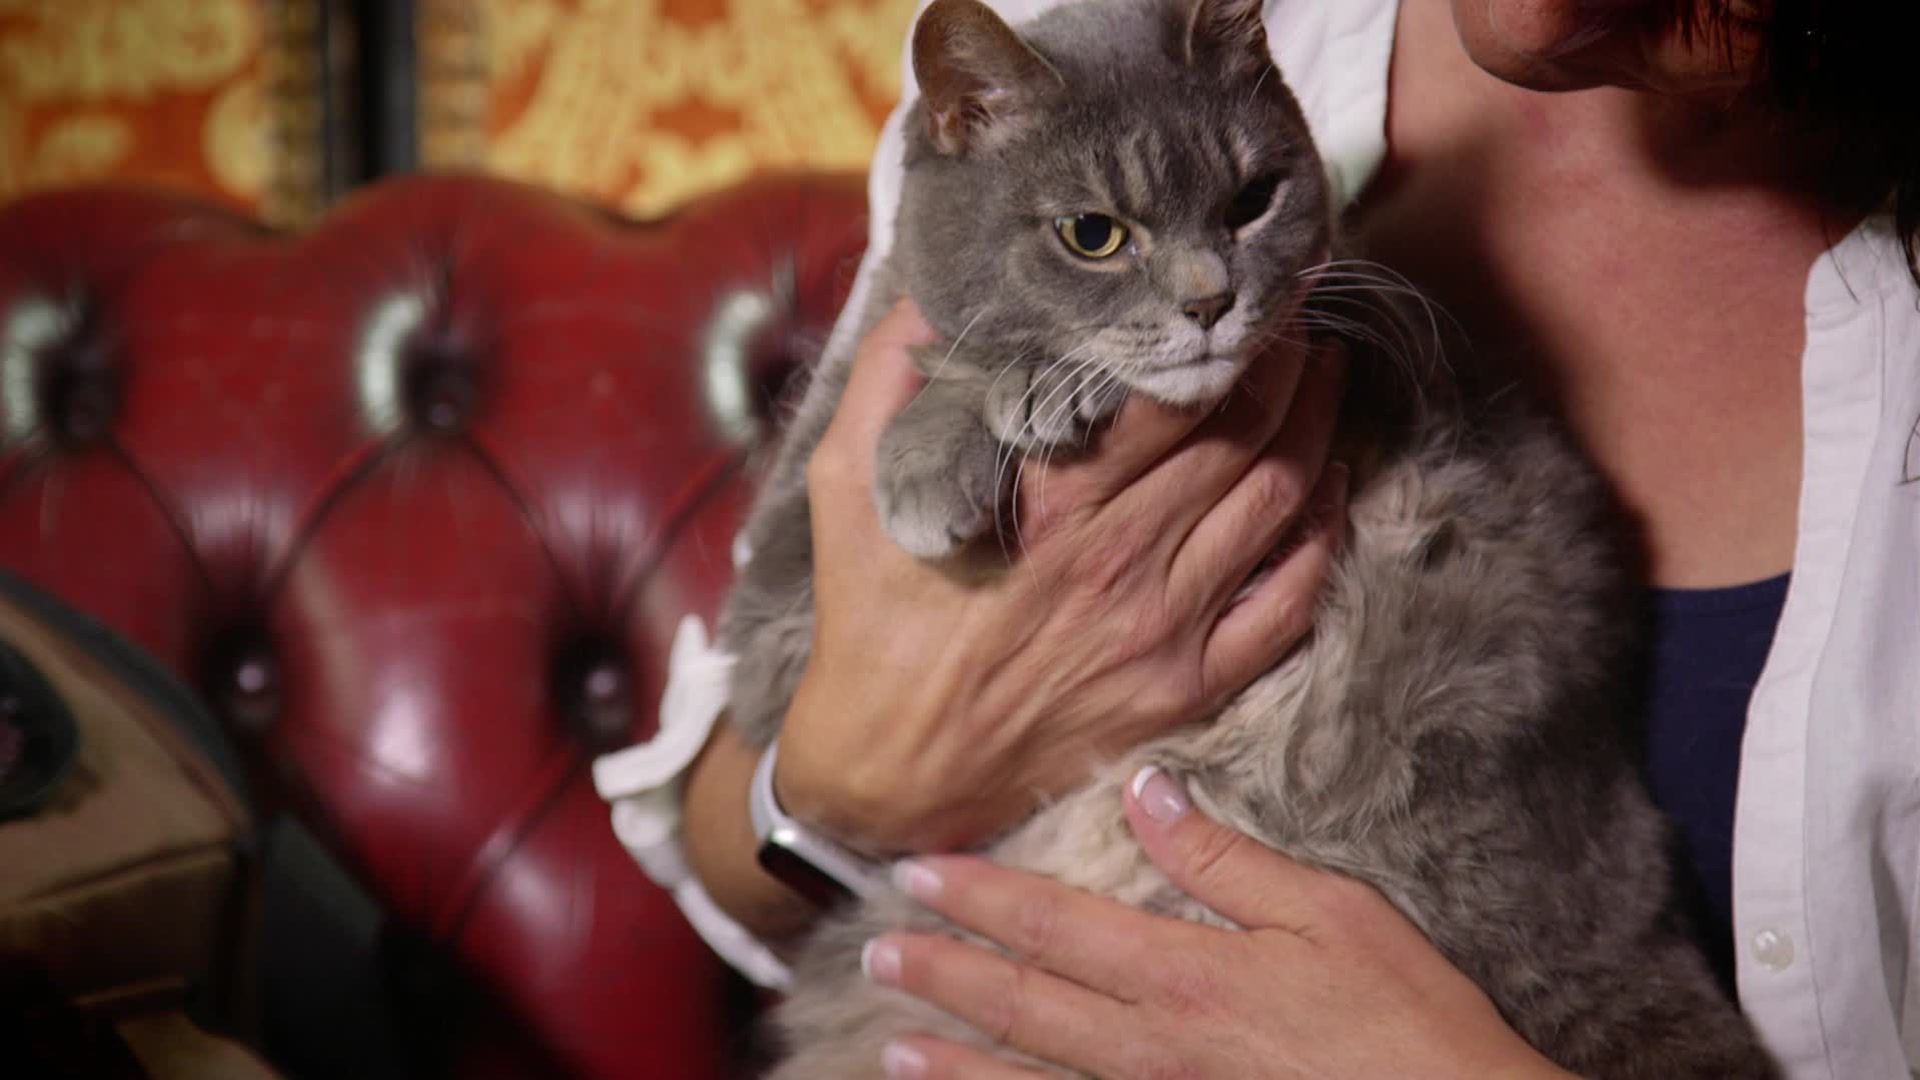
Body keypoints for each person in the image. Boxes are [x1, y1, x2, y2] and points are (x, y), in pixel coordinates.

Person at [601, 0, 1920, 1076]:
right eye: (1098, 235)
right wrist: (847, 784)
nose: (1204, 294)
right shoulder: (1092, 48)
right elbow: (724, 817)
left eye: (1238, 209)